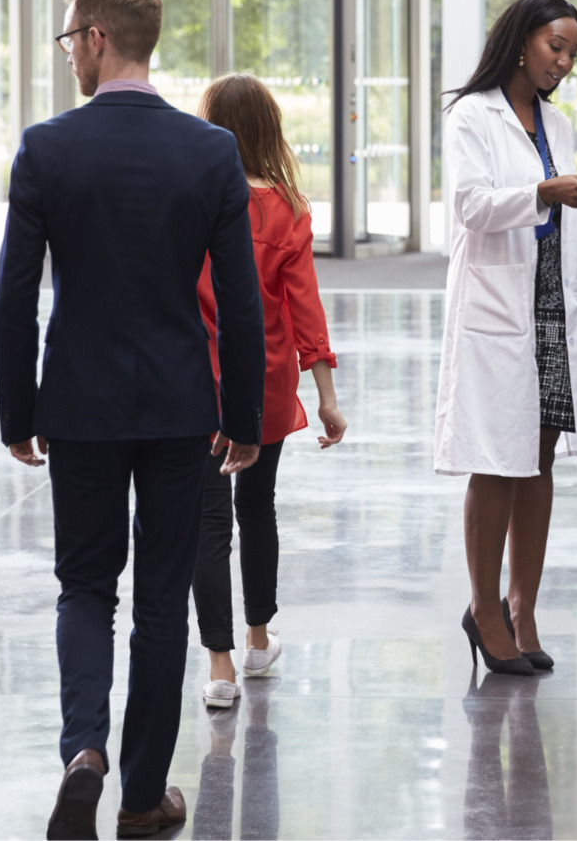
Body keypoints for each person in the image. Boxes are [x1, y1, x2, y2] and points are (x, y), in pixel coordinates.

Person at [0, 0, 265, 841]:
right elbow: (240, 297)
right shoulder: (209, 151)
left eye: (71, 37)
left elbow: (13, 296)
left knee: (83, 584)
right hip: (184, 406)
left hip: (77, 401)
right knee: (158, 603)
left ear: (99, 39)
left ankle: (84, 753)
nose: (70, 52)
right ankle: (143, 795)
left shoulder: (46, 148)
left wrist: (15, 409)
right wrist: (246, 416)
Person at [433, 0, 577, 677]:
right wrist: (547, 195)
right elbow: (470, 206)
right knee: (496, 458)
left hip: (548, 305)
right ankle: (484, 608)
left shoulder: (558, 122)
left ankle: (523, 605)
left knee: (538, 459)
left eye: (572, 51)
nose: (564, 62)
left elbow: (557, 214)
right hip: (496, 307)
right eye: (556, 47)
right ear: (520, 42)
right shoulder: (470, 116)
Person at [189, 72, 348, 710]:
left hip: (199, 379)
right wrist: (328, 397)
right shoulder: (288, 208)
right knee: (257, 509)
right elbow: (305, 309)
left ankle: (220, 668)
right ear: (268, 131)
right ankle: (258, 639)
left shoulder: (191, 200)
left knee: (206, 520)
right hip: (269, 381)